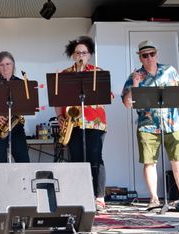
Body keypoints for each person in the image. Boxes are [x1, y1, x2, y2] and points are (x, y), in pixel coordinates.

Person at [121, 40, 179, 211]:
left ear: (157, 54)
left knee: (178, 160)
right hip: (147, 126)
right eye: (145, 55)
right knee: (149, 162)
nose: (149, 58)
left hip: (172, 123)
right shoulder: (135, 75)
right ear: (140, 58)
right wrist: (135, 84)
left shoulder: (169, 71)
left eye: (152, 54)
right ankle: (154, 199)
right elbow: (127, 104)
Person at [55, 36, 108, 211]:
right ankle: (79, 195)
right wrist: (59, 117)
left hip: (94, 123)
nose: (81, 56)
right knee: (76, 160)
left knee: (95, 159)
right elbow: (57, 100)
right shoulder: (64, 75)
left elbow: (106, 96)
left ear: (89, 55)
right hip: (73, 124)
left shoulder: (97, 72)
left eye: (84, 53)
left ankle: (99, 197)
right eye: (78, 53)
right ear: (73, 55)